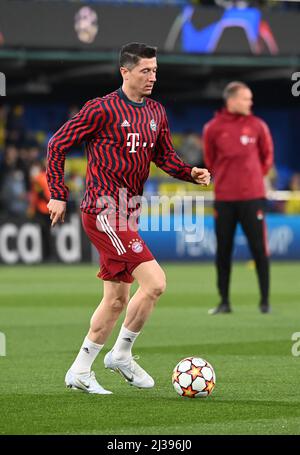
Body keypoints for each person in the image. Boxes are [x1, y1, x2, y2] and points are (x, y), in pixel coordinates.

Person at [46, 42, 210, 395]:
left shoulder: (156, 112)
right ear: (125, 71)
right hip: (104, 211)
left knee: (117, 300)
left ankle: (80, 370)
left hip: (128, 213)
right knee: (155, 283)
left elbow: (164, 156)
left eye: (154, 70)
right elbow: (57, 144)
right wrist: (58, 192)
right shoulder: (101, 109)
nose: (152, 77)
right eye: (145, 71)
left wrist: (189, 172)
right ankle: (120, 354)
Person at [203, 81, 274, 315]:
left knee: (259, 250)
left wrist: (251, 179)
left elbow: (267, 157)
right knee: (223, 250)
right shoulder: (213, 128)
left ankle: (264, 302)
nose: (250, 103)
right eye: (246, 98)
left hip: (253, 197)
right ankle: (224, 302)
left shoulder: (258, 125)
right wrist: (228, 180)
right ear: (231, 100)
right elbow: (210, 160)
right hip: (224, 198)